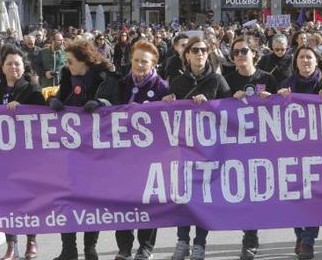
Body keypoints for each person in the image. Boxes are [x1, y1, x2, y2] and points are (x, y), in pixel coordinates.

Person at [49, 40, 122, 260]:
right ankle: (68, 248)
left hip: (95, 151)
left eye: (70, 61)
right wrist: (54, 101)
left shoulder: (106, 80)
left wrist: (102, 102)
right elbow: (60, 100)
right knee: (66, 198)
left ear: (84, 61)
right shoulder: (66, 77)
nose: (67, 64)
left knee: (91, 199)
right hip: (69, 150)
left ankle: (90, 247)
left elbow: (119, 107)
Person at [164, 38, 230, 260]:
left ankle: (200, 244)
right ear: (187, 55)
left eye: (203, 50)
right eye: (195, 50)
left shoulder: (217, 80)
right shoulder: (178, 82)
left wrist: (213, 105)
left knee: (202, 198)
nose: (200, 54)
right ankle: (182, 240)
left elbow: (231, 112)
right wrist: (167, 103)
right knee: (183, 197)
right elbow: (168, 113)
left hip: (208, 150)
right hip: (183, 148)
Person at [276, 46, 322, 260]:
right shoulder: (285, 86)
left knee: (313, 198)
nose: (305, 61)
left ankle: (308, 241)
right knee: (293, 196)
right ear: (296, 62)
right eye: (301, 57)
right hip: (291, 152)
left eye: (309, 57)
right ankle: (300, 234)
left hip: (318, 154)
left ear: (316, 61)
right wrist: (278, 98)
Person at [0, 46, 45, 260]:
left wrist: (24, 108)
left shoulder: (33, 90)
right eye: (9, 63)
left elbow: (41, 116)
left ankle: (32, 240)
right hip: (1, 158)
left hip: (27, 157)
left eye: (17, 64)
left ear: (24, 67)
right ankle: (11, 245)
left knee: (29, 199)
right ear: (2, 67)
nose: (14, 67)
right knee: (6, 201)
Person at [223, 36, 277, 260]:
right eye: (235, 52)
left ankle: (301, 237)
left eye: (244, 51)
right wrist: (229, 99)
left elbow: (284, 105)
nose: (239, 56)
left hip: (264, 145)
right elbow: (216, 110)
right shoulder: (226, 80)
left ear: (254, 53)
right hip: (237, 145)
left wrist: (272, 98)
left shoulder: (268, 78)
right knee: (246, 191)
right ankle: (250, 236)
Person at [115, 41, 167, 260]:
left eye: (144, 61)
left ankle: (145, 246)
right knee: (123, 199)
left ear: (153, 63)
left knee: (148, 200)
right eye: (136, 60)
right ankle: (124, 248)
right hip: (122, 154)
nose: (139, 65)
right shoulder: (121, 83)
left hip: (150, 155)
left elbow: (167, 120)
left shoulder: (161, 87)